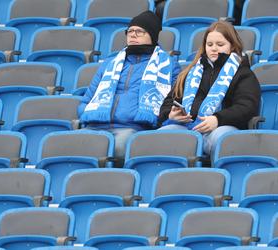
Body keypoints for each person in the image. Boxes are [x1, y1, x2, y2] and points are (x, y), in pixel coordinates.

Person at [78, 10, 180, 166]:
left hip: (131, 128)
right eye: (130, 31)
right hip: (95, 125)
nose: (133, 35)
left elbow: (170, 102)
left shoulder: (168, 65)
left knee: (118, 148)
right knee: (71, 146)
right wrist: (88, 114)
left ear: (152, 35)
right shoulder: (109, 63)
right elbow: (87, 100)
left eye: (139, 31)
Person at [158, 21, 260, 156]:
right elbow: (168, 102)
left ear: (232, 46)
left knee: (220, 139)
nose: (213, 48)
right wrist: (171, 114)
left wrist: (218, 119)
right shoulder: (191, 72)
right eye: (209, 44)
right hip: (188, 127)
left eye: (220, 44)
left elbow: (247, 107)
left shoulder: (243, 73)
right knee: (159, 136)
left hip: (222, 127)